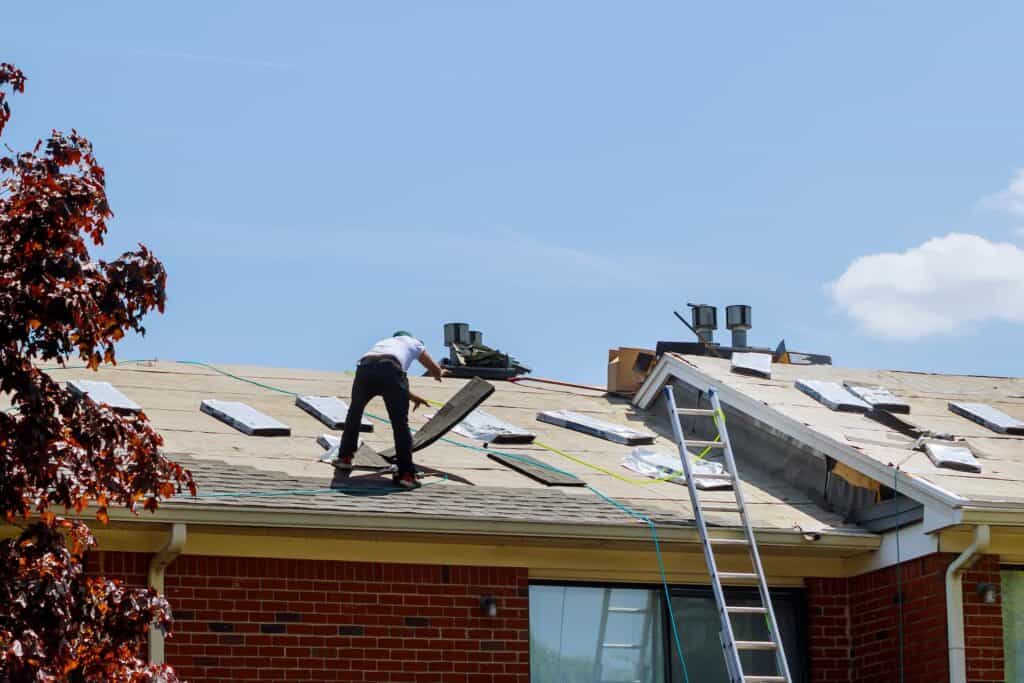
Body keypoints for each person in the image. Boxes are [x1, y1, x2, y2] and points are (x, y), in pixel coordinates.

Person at [337, 331, 443, 489]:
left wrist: (412, 397)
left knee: (354, 413)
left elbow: (386, 377)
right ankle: (406, 474)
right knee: (400, 424)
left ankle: (344, 458)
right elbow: (432, 368)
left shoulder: (385, 343)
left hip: (365, 368)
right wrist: (439, 373)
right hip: (390, 369)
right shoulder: (414, 342)